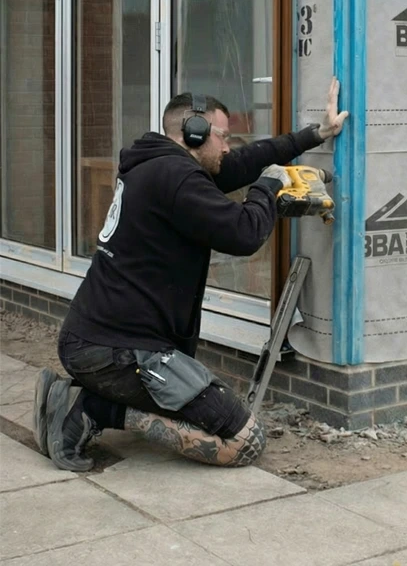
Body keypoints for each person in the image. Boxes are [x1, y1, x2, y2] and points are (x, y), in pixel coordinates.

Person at [33, 78, 348, 472]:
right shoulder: (177, 178)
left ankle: (85, 401)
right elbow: (243, 233)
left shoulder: (158, 165)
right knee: (244, 442)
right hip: (117, 352)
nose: (227, 146)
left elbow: (244, 161)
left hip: (98, 340)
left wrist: (315, 134)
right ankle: (89, 410)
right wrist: (268, 188)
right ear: (194, 133)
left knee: (202, 413)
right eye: (222, 136)